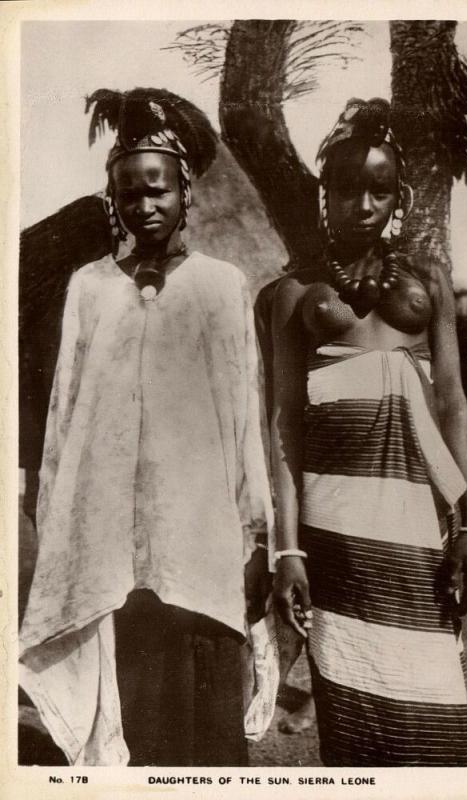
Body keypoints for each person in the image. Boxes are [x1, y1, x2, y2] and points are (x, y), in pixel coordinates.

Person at [19, 88, 273, 766]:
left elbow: (243, 418)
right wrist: (56, 521)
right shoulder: (90, 288)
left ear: (184, 191)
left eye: (157, 190)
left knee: (205, 718)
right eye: (128, 194)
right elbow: (67, 417)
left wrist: (255, 536)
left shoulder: (221, 287)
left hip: (202, 540)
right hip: (112, 552)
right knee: (135, 718)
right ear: (114, 200)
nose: (144, 206)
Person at [271, 98, 467, 766]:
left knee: (432, 691)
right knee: (352, 696)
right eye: (346, 188)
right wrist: (288, 550)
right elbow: (282, 425)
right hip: (334, 525)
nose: (363, 203)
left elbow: (451, 403)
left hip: (416, 519)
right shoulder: (294, 293)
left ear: (398, 197)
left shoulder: (427, 282)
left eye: (379, 189)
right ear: (324, 194)